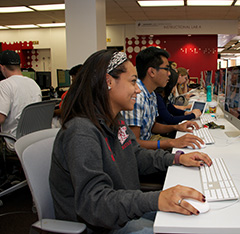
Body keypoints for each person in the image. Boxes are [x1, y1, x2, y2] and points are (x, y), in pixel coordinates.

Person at [49, 49, 212, 234]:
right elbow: (94, 203)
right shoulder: (81, 132)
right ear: (108, 82)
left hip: (120, 208)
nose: (137, 89)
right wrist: (155, 199)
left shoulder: (115, 119)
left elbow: (135, 155)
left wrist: (177, 159)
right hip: (98, 224)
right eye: (133, 81)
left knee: (191, 220)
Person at [122, 47, 204, 150]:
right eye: (166, 69)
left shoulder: (151, 93)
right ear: (152, 72)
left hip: (149, 140)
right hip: (141, 150)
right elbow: (134, 144)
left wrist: (176, 127)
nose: (169, 73)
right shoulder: (137, 97)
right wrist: (172, 142)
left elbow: (152, 126)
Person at [0, 50, 42, 150]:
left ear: (2, 67)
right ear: (20, 65)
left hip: (13, 140)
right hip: (33, 139)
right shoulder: (33, 84)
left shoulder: (5, 85)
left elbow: (1, 118)